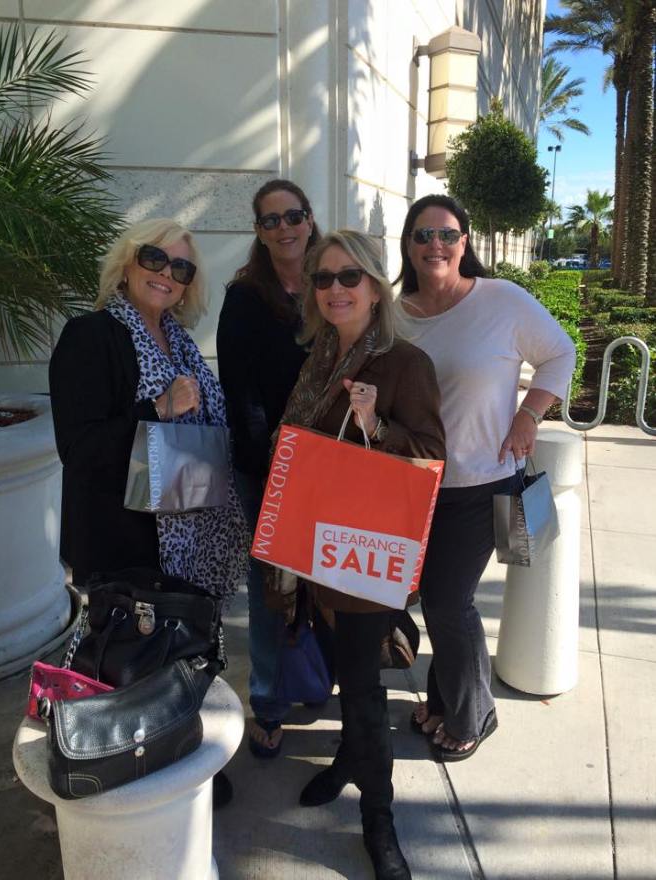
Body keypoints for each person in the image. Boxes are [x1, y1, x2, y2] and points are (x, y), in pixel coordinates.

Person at [49, 217, 249, 805]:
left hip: (193, 531)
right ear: (127, 262)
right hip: (126, 540)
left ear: (189, 285)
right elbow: (79, 447)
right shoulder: (92, 335)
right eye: (154, 259)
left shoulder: (182, 342)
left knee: (182, 656)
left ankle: (180, 749)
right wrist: (156, 407)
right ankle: (136, 767)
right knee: (135, 666)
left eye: (180, 268)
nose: (166, 274)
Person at [276, 230, 445, 880]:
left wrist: (377, 426)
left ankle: (380, 819)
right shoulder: (320, 352)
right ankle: (348, 760)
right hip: (315, 548)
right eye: (324, 278)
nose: (336, 289)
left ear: (375, 285)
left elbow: (431, 456)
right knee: (344, 671)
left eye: (350, 277)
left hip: (366, 552)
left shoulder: (404, 363)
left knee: (366, 689)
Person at [395, 194, 576, 761]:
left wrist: (528, 414)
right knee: (431, 601)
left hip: (481, 481)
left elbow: (560, 353)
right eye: (423, 235)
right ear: (408, 245)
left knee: (450, 604)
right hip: (413, 484)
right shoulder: (395, 313)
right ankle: (446, 698)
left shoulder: (500, 300)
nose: (435, 245)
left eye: (447, 234)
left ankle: (474, 713)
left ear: (464, 243)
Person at [216, 179, 321, 758]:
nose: (284, 228)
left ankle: (311, 675)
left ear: (310, 219)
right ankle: (269, 700)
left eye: (293, 216)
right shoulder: (246, 296)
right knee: (269, 587)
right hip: (271, 465)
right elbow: (240, 390)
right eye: (270, 220)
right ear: (258, 230)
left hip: (332, 462)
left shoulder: (333, 279)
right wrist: (270, 459)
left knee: (323, 577)